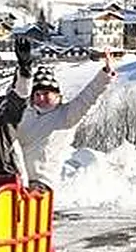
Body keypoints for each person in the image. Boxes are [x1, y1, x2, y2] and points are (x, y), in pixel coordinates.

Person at [15, 42, 116, 192]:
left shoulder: (66, 115)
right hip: (16, 178)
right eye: (37, 94)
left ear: (57, 95)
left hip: (41, 182)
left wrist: (104, 75)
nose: (41, 98)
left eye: (46, 94)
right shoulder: (24, 114)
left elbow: (88, 97)